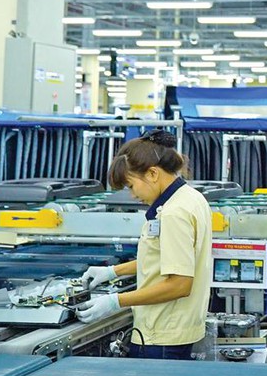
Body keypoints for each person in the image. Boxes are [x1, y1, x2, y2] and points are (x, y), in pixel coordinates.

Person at [77, 129, 212, 360]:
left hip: (162, 336)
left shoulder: (173, 213)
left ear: (152, 173)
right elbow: (165, 258)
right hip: (175, 330)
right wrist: (113, 271)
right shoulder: (191, 197)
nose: (132, 195)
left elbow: (180, 284)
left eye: (131, 186)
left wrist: (115, 301)